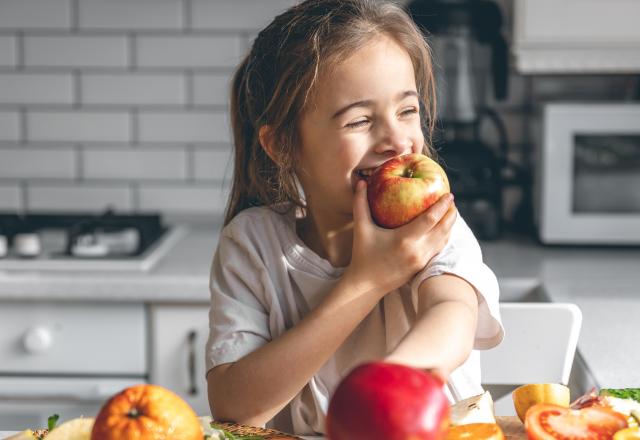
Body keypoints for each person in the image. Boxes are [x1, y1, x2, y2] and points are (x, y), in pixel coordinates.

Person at [205, 0, 504, 435]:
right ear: (283, 146)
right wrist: (369, 280)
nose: (397, 140)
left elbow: (452, 315)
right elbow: (234, 407)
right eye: (359, 120)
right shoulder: (253, 245)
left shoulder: (433, 227)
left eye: (407, 111)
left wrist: (381, 396)